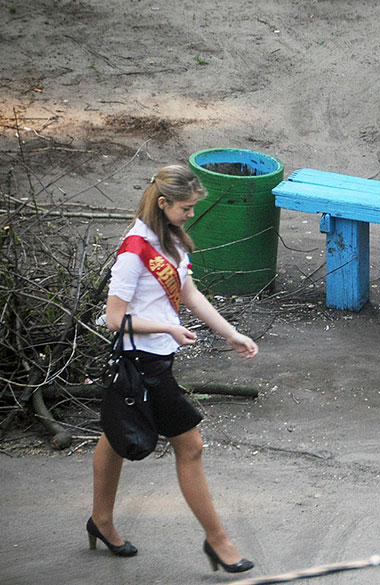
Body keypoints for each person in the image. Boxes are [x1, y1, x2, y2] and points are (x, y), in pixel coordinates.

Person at [87, 164, 258, 573]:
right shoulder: (133, 251)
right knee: (191, 446)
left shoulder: (172, 240)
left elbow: (189, 294)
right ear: (163, 203)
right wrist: (166, 326)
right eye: (186, 207)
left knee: (114, 435)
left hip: (159, 359)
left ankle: (101, 520)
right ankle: (218, 541)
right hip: (140, 364)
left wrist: (231, 334)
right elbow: (114, 319)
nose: (191, 214)